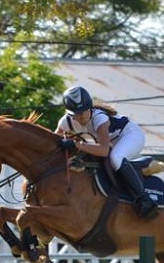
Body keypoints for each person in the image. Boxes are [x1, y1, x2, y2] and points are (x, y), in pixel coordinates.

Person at [55, 85, 157, 219]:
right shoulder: (66, 121)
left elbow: (103, 150)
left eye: (83, 112)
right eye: (76, 114)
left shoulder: (99, 118)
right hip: (112, 142)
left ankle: (144, 199)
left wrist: (76, 144)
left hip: (130, 135)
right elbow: (54, 143)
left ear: (90, 107)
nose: (80, 117)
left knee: (115, 158)